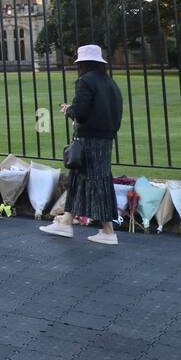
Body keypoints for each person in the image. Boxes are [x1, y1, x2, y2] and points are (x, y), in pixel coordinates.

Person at [40, 44, 125, 245]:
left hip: (90, 138)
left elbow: (83, 112)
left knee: (96, 180)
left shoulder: (85, 81)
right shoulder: (110, 83)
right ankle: (67, 221)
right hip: (105, 137)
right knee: (81, 178)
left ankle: (108, 231)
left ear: (82, 63)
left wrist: (69, 110)